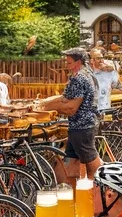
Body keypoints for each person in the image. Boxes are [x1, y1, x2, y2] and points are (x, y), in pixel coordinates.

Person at [34, 47, 103, 181]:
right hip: (81, 125)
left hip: (82, 127)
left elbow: (70, 108)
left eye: (69, 62)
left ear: (78, 62)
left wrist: (44, 108)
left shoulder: (79, 78)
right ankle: (68, 193)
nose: (66, 64)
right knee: (69, 165)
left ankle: (104, 190)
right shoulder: (86, 74)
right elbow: (64, 98)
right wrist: (42, 103)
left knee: (92, 164)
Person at [89, 47, 122, 113]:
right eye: (97, 58)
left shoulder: (107, 66)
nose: (101, 60)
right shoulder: (87, 70)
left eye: (101, 58)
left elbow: (115, 82)